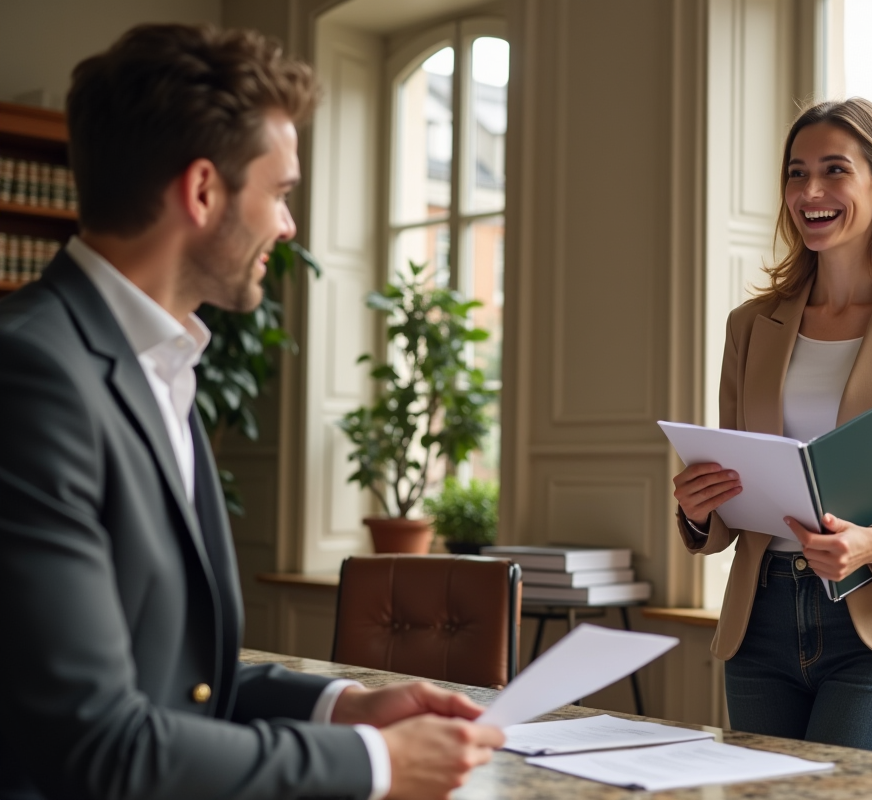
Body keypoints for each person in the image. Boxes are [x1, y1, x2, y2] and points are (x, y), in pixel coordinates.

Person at [0, 23, 503, 800]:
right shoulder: (31, 375)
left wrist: (348, 707)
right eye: (280, 193)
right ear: (203, 191)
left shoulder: (159, 362)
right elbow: (95, 739)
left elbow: (169, 675)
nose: (288, 225)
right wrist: (377, 767)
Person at [672, 98, 872, 754]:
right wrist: (698, 508)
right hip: (759, 620)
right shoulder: (751, 325)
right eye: (796, 173)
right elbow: (741, 494)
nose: (810, 191)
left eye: (833, 170)